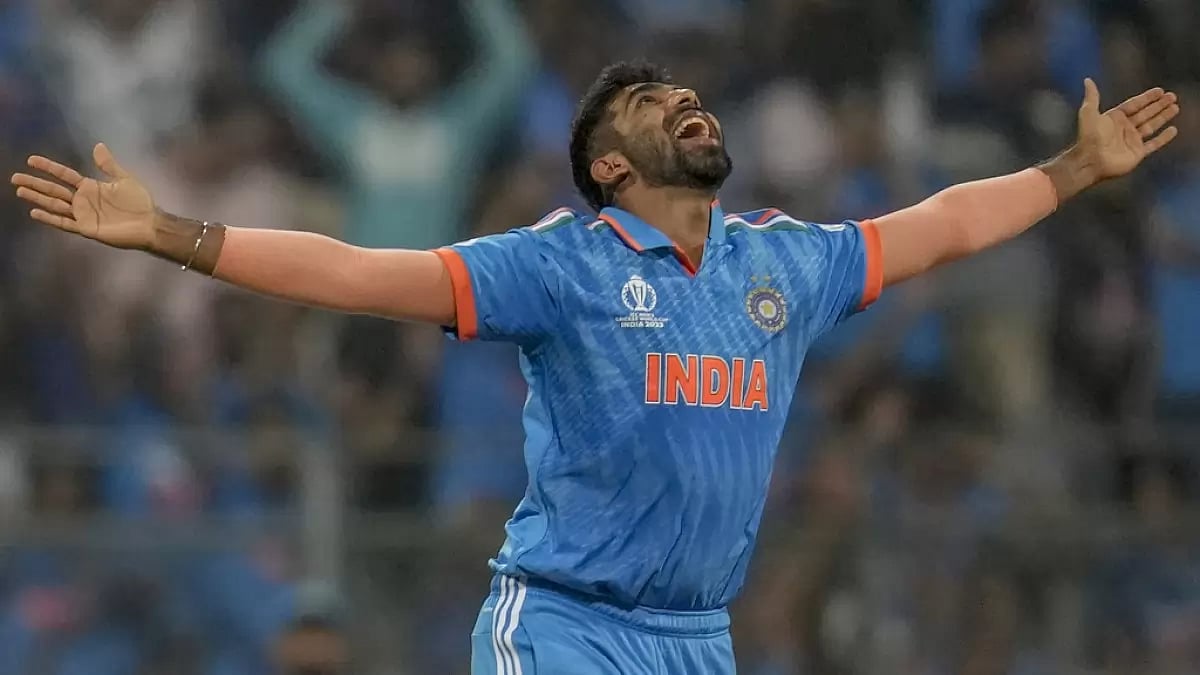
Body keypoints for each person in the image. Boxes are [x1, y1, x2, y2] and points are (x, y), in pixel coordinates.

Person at [10, 61, 1181, 674]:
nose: (685, 101)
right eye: (648, 103)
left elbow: (943, 224)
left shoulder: (785, 263)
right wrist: (177, 235)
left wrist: (1073, 173)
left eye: (687, 93)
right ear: (610, 169)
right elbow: (360, 272)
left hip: (697, 639)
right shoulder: (558, 267)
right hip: (563, 625)